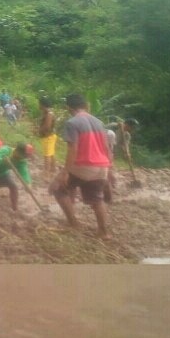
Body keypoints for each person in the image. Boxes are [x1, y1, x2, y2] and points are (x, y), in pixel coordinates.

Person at [52, 93, 114, 239]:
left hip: (83, 165)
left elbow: (73, 149)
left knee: (58, 189)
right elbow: (106, 147)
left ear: (68, 108)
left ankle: (73, 222)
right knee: (97, 200)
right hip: (101, 166)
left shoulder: (72, 123)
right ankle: (103, 232)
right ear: (86, 106)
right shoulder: (99, 122)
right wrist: (110, 168)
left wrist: (65, 171)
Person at [0, 142, 36, 213]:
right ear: (18, 151)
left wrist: (28, 184)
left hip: (1, 172)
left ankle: (15, 209)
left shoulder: (21, 161)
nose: (26, 157)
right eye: (25, 155)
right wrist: (3, 161)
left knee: (14, 187)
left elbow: (24, 173)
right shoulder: (6, 150)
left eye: (27, 156)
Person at [34, 96, 59, 178]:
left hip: (48, 137)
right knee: (51, 154)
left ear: (43, 105)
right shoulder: (48, 113)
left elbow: (47, 127)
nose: (39, 106)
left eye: (39, 104)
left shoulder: (49, 114)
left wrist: (38, 131)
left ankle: (46, 173)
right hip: (50, 136)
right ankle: (53, 169)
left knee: (47, 155)